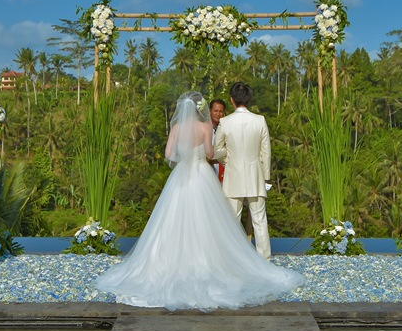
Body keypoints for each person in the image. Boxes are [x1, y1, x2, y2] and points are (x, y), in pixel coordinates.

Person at [96, 91, 302, 310]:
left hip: (181, 178)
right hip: (203, 176)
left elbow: (168, 153)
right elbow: (210, 152)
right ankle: (230, 262)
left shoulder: (176, 128)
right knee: (211, 222)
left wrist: (183, 156)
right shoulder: (206, 127)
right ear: (200, 109)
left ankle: (175, 263)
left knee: (174, 220)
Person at [213, 82, 272, 258]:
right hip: (255, 175)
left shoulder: (225, 122)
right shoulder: (259, 120)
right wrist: (266, 176)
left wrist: (229, 160)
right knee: (260, 220)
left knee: (231, 221)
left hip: (233, 176)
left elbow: (217, 151)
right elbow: (266, 151)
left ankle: (231, 261)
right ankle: (265, 261)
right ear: (249, 99)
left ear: (232, 100)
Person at [208, 98, 226, 182]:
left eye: (221, 111)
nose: (218, 114)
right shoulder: (204, 129)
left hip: (223, 170)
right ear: (210, 111)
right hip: (207, 170)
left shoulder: (227, 129)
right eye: (215, 111)